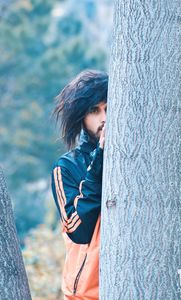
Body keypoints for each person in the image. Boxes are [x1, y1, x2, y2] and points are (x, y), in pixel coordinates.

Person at [51, 69, 108, 299]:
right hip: (85, 295)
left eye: (108, 108)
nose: (104, 118)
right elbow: (78, 231)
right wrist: (97, 165)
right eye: (94, 111)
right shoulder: (66, 167)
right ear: (81, 119)